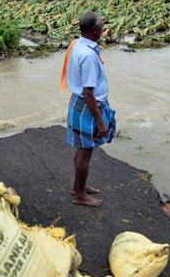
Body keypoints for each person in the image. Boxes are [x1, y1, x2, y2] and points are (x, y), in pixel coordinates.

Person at [61, 11, 116, 207]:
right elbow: (88, 92)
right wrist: (100, 120)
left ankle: (79, 188)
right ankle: (80, 196)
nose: (104, 28)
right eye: (102, 25)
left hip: (78, 102)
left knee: (81, 148)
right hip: (88, 105)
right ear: (94, 30)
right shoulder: (89, 56)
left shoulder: (78, 44)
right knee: (85, 151)